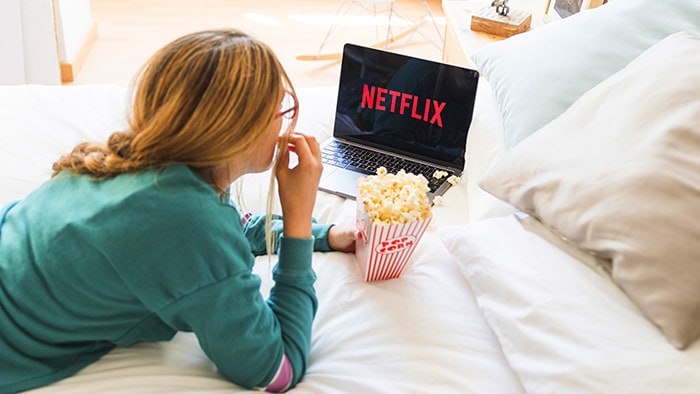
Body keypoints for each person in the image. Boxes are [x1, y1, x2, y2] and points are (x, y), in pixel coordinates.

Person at [0, 29, 358, 393]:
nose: (284, 121)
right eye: (279, 108)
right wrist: (297, 222)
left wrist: (323, 235)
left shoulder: (146, 163)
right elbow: (275, 369)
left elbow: (232, 225)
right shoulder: (189, 225)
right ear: (238, 130)